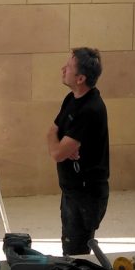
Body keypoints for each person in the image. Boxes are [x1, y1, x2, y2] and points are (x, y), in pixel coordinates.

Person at [46, 48, 109, 255]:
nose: (63, 69)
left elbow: (56, 154)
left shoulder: (90, 109)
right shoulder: (71, 99)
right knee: (70, 247)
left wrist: (61, 145)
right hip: (72, 190)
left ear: (80, 78)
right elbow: (52, 132)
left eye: (69, 67)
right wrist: (63, 144)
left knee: (76, 255)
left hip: (86, 196)